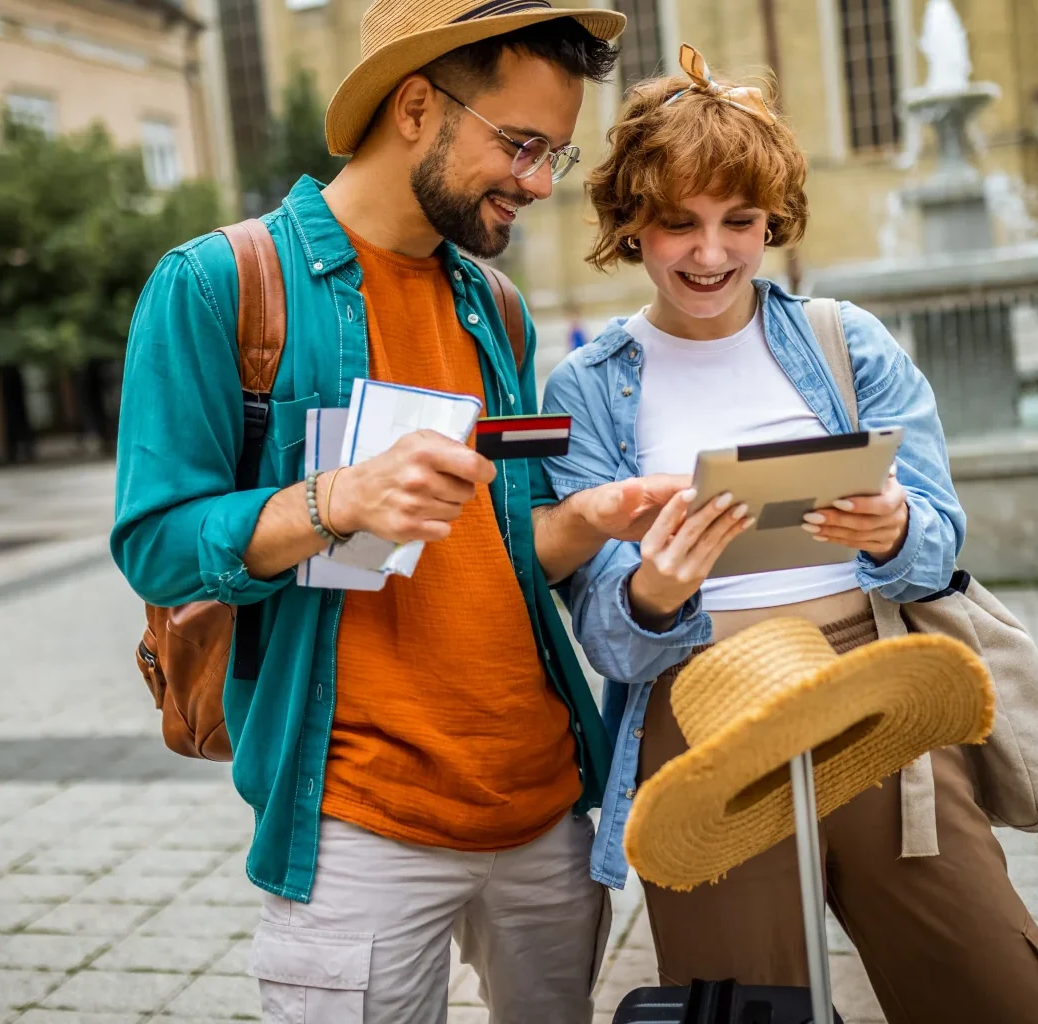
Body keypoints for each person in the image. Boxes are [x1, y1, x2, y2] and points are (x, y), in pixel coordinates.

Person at [112, 4, 685, 1021]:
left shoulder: (495, 307)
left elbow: (504, 554)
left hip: (547, 806)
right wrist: (330, 501)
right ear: (416, 105)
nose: (540, 183)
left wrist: (591, 522)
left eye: (556, 150)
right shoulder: (219, 283)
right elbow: (155, 547)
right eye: (518, 144)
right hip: (356, 827)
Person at [542, 47, 1038, 1023]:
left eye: (737, 221)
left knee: (1000, 993)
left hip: (876, 686)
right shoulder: (586, 388)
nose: (710, 253)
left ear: (772, 220)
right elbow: (607, 639)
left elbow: (938, 545)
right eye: (678, 224)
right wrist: (655, 589)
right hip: (701, 702)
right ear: (630, 224)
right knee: (748, 1007)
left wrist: (892, 525)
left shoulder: (843, 339)